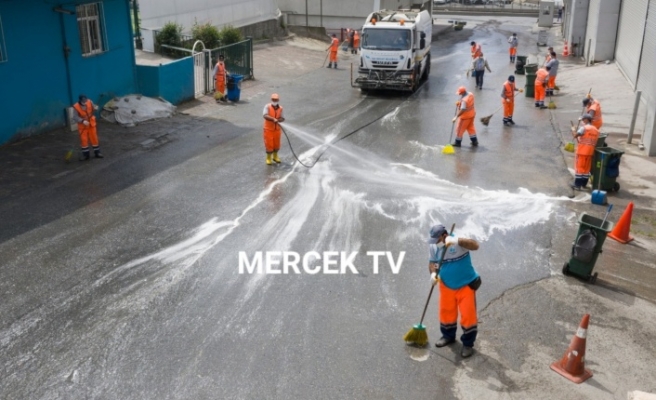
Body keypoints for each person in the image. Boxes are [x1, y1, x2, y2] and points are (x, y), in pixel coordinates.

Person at [427, 224, 481, 358]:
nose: (435, 243)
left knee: (468, 316)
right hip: (446, 285)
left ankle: (468, 344)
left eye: (437, 239)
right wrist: (433, 274)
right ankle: (448, 336)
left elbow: (475, 246)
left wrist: (457, 241)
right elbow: (432, 263)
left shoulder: (458, 241)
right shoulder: (434, 246)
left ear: (444, 235)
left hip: (465, 285)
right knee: (446, 313)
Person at [570, 114, 599, 190]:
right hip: (590, 152)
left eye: (583, 120)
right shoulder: (596, 130)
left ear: (586, 119)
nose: (582, 121)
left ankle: (577, 185)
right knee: (586, 169)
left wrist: (573, 130)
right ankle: (583, 184)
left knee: (579, 168)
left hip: (582, 151)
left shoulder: (584, 128)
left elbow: (575, 136)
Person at [73, 94, 102, 160]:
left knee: (94, 138)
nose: (85, 102)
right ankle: (86, 155)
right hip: (83, 125)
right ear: (80, 100)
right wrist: (82, 121)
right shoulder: (76, 106)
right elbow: (75, 117)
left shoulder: (89, 102)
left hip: (91, 123)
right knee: (84, 140)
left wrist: (95, 108)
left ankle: (97, 153)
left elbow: (93, 109)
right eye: (83, 101)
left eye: (85, 100)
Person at [262, 93, 285, 165]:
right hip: (268, 129)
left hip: (277, 130)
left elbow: (282, 118)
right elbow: (265, 115)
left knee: (276, 144)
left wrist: (278, 120)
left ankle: (275, 156)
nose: (274, 101)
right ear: (271, 100)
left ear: (278, 100)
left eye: (276, 100)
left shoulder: (281, 108)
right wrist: (273, 119)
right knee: (269, 144)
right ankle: (268, 158)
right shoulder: (267, 106)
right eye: (273, 100)